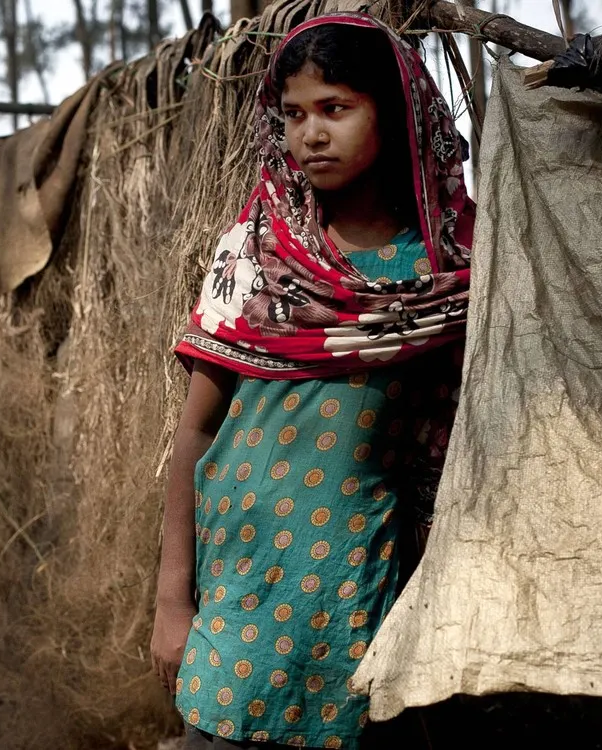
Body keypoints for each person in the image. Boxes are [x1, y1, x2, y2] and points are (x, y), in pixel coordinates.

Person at [150, 13, 474, 750]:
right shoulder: (256, 256)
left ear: (393, 114)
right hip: (236, 590)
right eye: (294, 115)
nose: (312, 134)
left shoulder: (446, 273)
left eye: (336, 109)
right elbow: (196, 431)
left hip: (355, 589)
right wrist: (173, 601)